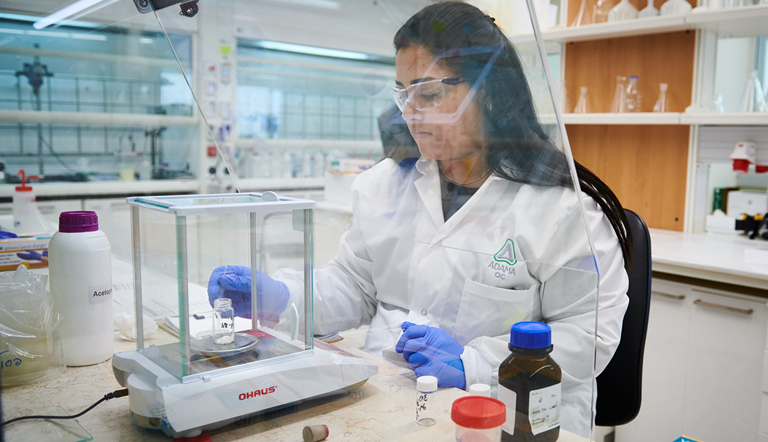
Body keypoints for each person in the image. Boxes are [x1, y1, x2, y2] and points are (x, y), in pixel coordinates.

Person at [207, 2, 630, 436]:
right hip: (387, 399)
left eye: (428, 94)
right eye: (403, 93)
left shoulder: (560, 209)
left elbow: (589, 334)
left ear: (488, 92)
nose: (409, 112)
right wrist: (281, 297)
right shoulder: (384, 185)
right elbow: (354, 286)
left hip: (509, 417)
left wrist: (473, 363)